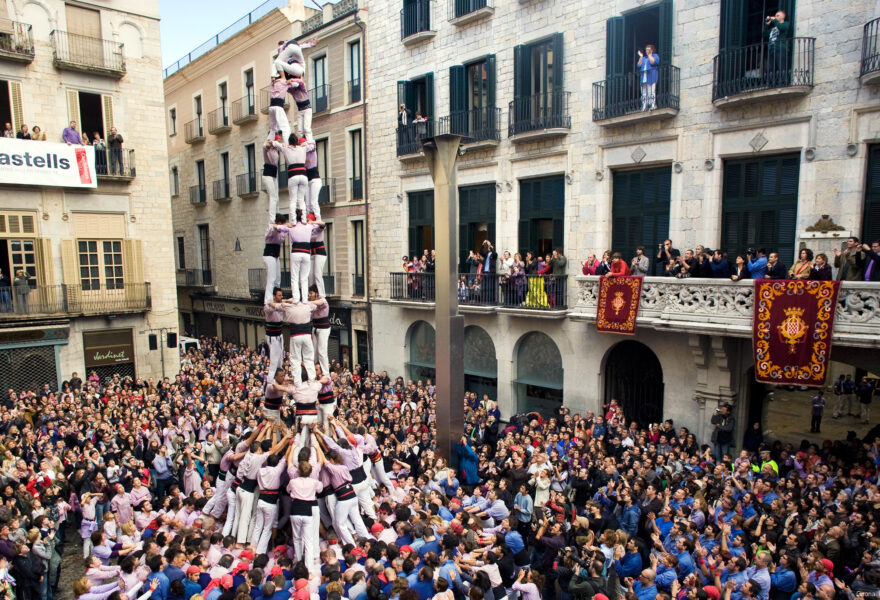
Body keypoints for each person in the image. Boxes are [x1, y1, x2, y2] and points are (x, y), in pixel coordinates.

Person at [262, 214, 289, 305]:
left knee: (277, 278)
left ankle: (276, 296)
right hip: (269, 255)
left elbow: (287, 229)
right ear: (278, 223)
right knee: (271, 278)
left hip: (276, 256)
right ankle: (268, 300)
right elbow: (274, 229)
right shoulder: (272, 229)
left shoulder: (282, 231)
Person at [281, 136, 309, 219]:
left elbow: (275, 144)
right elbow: (312, 144)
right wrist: (304, 144)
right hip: (303, 176)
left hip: (293, 176)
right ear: (297, 141)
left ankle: (293, 220)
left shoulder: (286, 149)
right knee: (301, 200)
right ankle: (303, 219)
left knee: (293, 200)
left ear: (289, 142)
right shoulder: (302, 148)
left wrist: (282, 144)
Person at [266, 77, 296, 144]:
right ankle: (288, 145)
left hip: (271, 107)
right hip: (278, 107)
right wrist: (291, 80)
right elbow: (296, 84)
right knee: (285, 127)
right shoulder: (283, 82)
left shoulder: (272, 83)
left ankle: (268, 143)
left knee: (273, 128)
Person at [264, 287, 286, 378]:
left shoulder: (281, 304)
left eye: (281, 295)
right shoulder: (267, 307)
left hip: (279, 335)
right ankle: (271, 378)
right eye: (279, 295)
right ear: (274, 296)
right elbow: (272, 308)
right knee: (274, 359)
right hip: (272, 336)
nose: (281, 297)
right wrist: (272, 303)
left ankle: (279, 376)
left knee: (280, 359)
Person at [764, 11, 791, 85]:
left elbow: (782, 28)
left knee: (781, 65)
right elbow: (764, 34)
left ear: (783, 16)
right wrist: (767, 25)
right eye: (775, 15)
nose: (776, 16)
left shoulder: (785, 24)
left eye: (778, 15)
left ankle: (783, 81)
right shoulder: (773, 28)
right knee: (770, 67)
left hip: (780, 48)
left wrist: (774, 20)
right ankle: (771, 83)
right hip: (771, 50)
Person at [310, 286, 330, 376]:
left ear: (316, 293)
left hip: (323, 328)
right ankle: (314, 370)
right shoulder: (310, 301)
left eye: (311, 293)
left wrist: (307, 302)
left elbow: (320, 302)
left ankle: (325, 372)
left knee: (322, 351)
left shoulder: (322, 300)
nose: (309, 295)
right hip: (315, 328)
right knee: (314, 351)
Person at [262, 138, 284, 218]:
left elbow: (283, 146)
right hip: (267, 175)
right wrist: (271, 142)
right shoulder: (267, 148)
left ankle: (277, 215)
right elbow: (265, 145)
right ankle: (272, 218)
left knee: (276, 198)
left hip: (274, 175)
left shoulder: (275, 149)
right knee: (273, 197)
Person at [637, 45, 660, 111]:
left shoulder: (655, 56)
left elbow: (653, 62)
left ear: (652, 50)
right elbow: (638, 65)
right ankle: (644, 105)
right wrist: (641, 57)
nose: (647, 51)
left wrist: (650, 55)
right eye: (646, 49)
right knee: (644, 92)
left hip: (651, 76)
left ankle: (652, 105)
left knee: (651, 91)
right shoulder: (644, 58)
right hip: (644, 77)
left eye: (649, 49)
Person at [309, 223, 327, 297]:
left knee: (317, 274)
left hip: (320, 253)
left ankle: (322, 295)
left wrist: (314, 221)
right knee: (310, 276)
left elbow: (323, 225)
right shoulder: (308, 230)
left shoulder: (318, 229)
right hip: (313, 253)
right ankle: (312, 293)